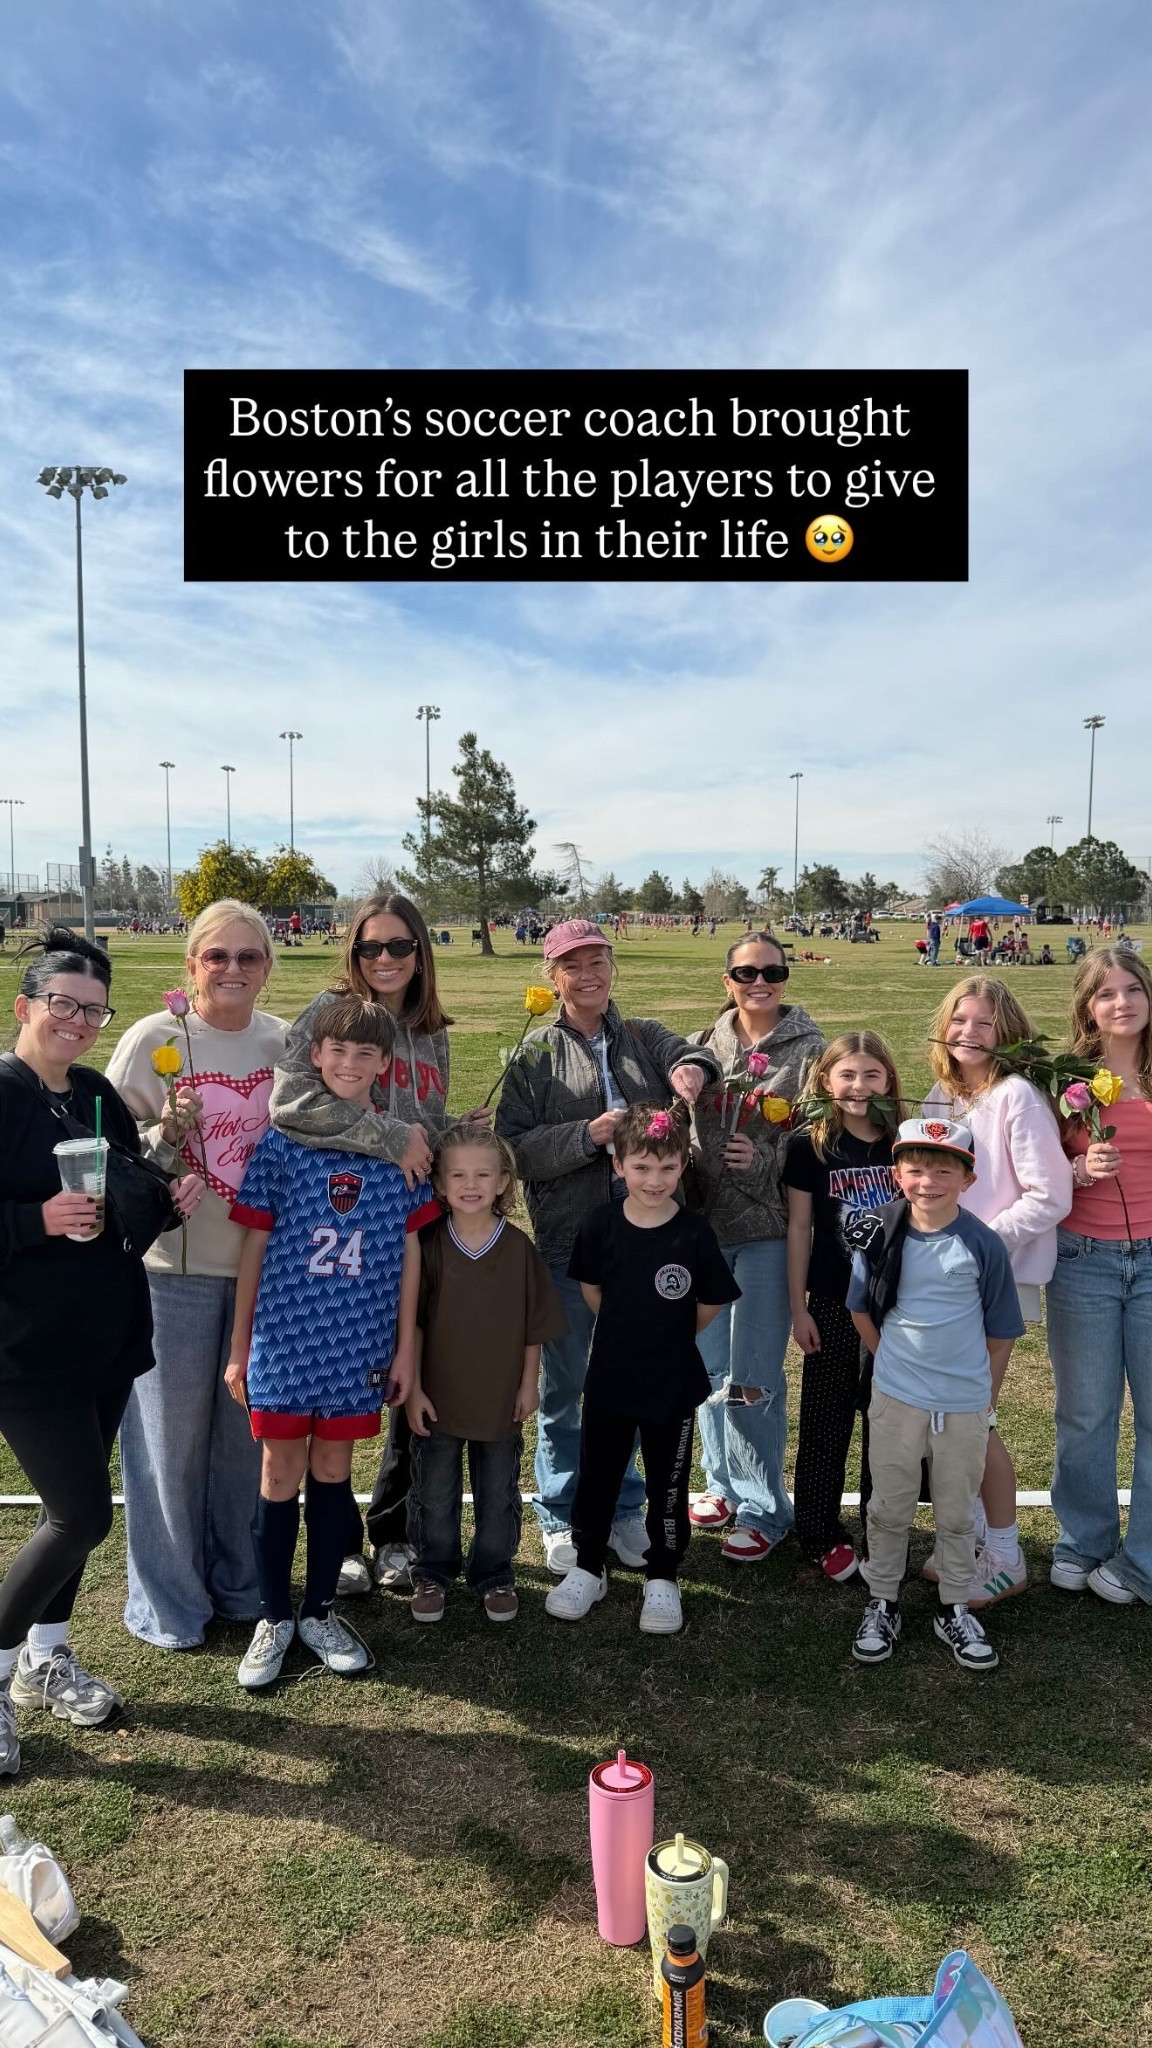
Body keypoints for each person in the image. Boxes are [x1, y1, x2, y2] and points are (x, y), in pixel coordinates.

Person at [0, 929, 203, 1769]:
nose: (79, 1022)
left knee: (77, 1520)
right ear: (25, 1006)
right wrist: (32, 1219)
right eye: (63, 1004)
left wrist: (169, 1191)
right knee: (78, 1515)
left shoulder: (92, 1092)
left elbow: (125, 1184)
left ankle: (45, 1659)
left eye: (94, 1010)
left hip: (107, 1336)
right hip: (26, 1351)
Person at [269, 892, 486, 1598]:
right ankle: (334, 1546)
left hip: (411, 1225)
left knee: (407, 1375)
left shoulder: (430, 1030)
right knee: (333, 1382)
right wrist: (392, 1138)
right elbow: (291, 1105)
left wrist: (455, 1132)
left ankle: (393, 1532)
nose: (385, 958)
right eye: (371, 946)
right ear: (353, 952)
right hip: (336, 1230)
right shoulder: (328, 1014)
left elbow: (421, 1125)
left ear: (421, 951)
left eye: (399, 945)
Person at [224, 996, 438, 1688]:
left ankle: (318, 1612)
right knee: (277, 1474)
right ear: (314, 1056)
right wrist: (240, 1347)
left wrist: (404, 1351)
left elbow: (411, 1257)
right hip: (286, 1340)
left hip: (357, 1344)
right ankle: (273, 1618)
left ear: (384, 1064)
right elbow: (254, 1247)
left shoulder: (399, 1149)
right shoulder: (283, 1143)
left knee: (332, 1473)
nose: (349, 1064)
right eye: (337, 1051)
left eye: (364, 1053)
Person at [495, 918, 720, 1574]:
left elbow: (695, 1056)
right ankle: (562, 1511)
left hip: (645, 1249)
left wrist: (690, 1072)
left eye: (598, 961)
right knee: (566, 1387)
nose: (588, 975)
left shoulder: (643, 1036)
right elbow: (512, 1150)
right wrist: (585, 1136)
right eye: (573, 965)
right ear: (552, 977)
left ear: (612, 967)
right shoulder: (534, 1053)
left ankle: (623, 1508)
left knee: (633, 1385)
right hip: (568, 1246)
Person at [107, 899, 288, 1649]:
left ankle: (242, 1586)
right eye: (217, 956)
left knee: (248, 1441)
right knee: (167, 1444)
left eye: (249, 956)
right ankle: (170, 1604)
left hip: (263, 1273)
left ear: (268, 967)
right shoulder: (155, 1039)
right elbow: (109, 1151)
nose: (232, 969)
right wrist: (165, 1136)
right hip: (171, 1272)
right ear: (191, 965)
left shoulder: (285, 1042)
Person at [545, 1104, 739, 1633]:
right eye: (641, 1167)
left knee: (668, 1485)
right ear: (618, 1166)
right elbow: (591, 1288)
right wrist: (625, 1328)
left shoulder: (694, 1232)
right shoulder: (601, 1225)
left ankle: (663, 1576)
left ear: (683, 1166)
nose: (655, 1180)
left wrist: (668, 1334)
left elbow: (711, 1300)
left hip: (671, 1384)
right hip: (610, 1380)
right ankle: (588, 1567)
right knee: (598, 1477)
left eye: (668, 1168)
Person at [846, 1119, 1024, 1671]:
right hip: (895, 1398)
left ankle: (953, 1606)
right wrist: (891, 1363)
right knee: (888, 1504)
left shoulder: (982, 1243)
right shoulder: (878, 1233)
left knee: (956, 1509)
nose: (928, 1182)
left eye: (944, 1171)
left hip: (963, 1404)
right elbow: (859, 1309)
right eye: (916, 1169)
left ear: (968, 1180)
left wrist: (983, 1398)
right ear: (897, 1175)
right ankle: (882, 1600)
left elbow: (1001, 1333)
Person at [921, 978, 1073, 1606]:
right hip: (943, 1281)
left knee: (972, 1418)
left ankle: (1006, 1555)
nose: (969, 1033)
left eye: (984, 1023)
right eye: (959, 1020)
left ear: (1006, 1032)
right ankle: (975, 1539)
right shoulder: (944, 1096)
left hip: (995, 1282)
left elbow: (1050, 1195)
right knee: (953, 1420)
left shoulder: (1018, 1096)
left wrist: (977, 1245)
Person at [686, 932, 825, 1561]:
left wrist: (764, 1157)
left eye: (772, 971)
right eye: (746, 973)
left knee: (754, 1378)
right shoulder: (702, 1046)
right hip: (705, 1233)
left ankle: (764, 1506)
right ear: (728, 982)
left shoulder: (811, 1050)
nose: (759, 982)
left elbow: (820, 1141)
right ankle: (721, 1483)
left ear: (786, 977)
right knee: (711, 1369)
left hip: (769, 1231)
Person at [406, 1127, 565, 1625]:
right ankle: (432, 1571)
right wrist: (414, 1390)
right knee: (434, 1493)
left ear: (502, 1182)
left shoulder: (518, 1248)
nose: (470, 1184)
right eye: (458, 1175)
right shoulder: (427, 1244)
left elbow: (534, 1326)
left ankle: (494, 1573)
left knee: (498, 1494)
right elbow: (413, 1324)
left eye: (482, 1174)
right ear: (439, 1183)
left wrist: (528, 1384)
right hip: (438, 1397)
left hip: (499, 1398)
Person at [1047, 948, 1152, 1606]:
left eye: (1133, 988)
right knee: (1086, 1413)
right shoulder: (1064, 1080)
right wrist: (1078, 1172)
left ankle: (1143, 1558)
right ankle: (1083, 1540)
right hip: (1082, 1260)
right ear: (1088, 1007)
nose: (1123, 1002)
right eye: (1107, 993)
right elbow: (1030, 1171)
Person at [784, 1033, 901, 1581]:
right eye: (847, 1075)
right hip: (831, 1301)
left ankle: (883, 1528)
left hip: (894, 1306)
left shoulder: (902, 1140)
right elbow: (799, 1228)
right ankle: (817, 1531)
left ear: (889, 1081)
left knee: (888, 1421)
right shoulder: (810, 1145)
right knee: (825, 1420)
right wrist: (798, 1308)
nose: (859, 1087)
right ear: (825, 1080)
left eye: (871, 1075)